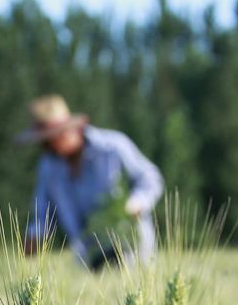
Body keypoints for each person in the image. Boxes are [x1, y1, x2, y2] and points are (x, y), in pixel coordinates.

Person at [16, 94, 163, 268]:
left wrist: (138, 202)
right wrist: (35, 237)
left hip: (132, 250)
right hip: (87, 258)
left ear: (69, 130)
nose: (46, 148)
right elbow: (44, 214)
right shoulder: (49, 165)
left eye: (49, 140)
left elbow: (150, 178)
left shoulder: (113, 146)